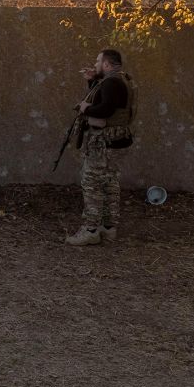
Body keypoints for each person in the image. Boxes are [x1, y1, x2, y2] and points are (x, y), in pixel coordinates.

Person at [66, 49, 136, 246]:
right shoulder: (121, 80)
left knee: (92, 184)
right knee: (110, 183)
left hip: (104, 143)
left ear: (106, 64)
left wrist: (84, 107)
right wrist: (91, 81)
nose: (95, 64)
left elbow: (105, 109)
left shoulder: (112, 83)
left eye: (98, 61)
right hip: (118, 141)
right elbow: (107, 101)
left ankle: (90, 230)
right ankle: (109, 228)